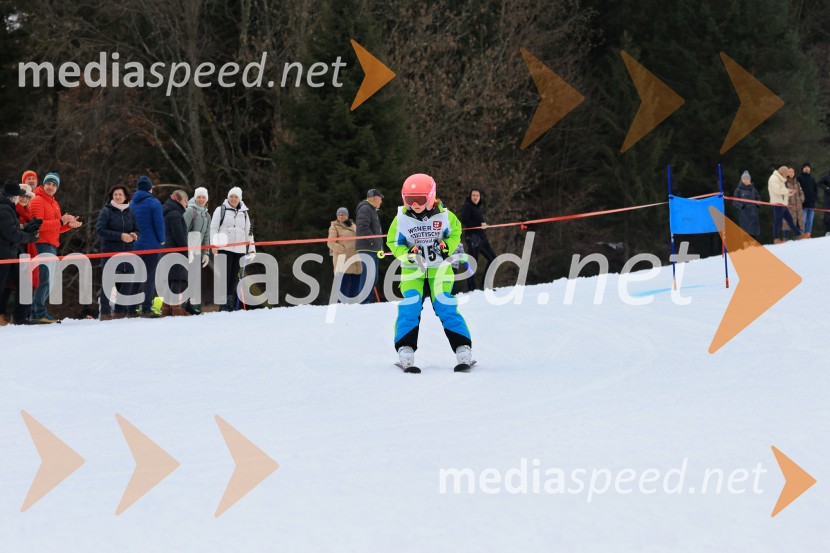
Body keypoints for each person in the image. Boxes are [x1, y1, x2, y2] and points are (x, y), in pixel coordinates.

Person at [386, 174, 472, 370]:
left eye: (420, 199)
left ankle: (462, 347)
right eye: (410, 200)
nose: (415, 204)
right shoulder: (401, 219)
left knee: (444, 304)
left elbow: (456, 233)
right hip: (412, 270)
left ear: (431, 197)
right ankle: (405, 348)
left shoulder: (445, 217)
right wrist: (406, 253)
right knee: (410, 305)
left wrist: (446, 246)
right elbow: (393, 242)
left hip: (439, 270)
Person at [28, 172, 82, 323]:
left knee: (49, 281)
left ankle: (35, 312)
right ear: (43, 184)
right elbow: (37, 226)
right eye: (49, 184)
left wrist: (68, 226)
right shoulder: (37, 200)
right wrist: (61, 221)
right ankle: (39, 313)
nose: (51, 187)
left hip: (51, 245)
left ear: (57, 188)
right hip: (41, 245)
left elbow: (55, 228)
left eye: (54, 185)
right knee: (44, 280)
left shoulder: (54, 203)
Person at [96, 184, 139, 320]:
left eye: (120, 194)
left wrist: (134, 234)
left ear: (126, 196)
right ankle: (105, 312)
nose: (118, 197)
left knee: (127, 281)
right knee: (109, 283)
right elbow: (100, 230)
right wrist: (119, 236)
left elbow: (137, 229)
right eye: (115, 195)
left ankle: (120, 311)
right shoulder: (106, 211)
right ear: (112, 197)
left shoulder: (130, 212)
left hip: (128, 252)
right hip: (110, 252)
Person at [0, 180, 40, 326]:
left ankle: (20, 317)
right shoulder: (4, 209)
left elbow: (13, 229)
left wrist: (27, 228)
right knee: (6, 285)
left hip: (9, 253)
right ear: (13, 196)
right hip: (4, 255)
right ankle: (19, 317)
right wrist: (29, 237)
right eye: (19, 195)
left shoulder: (7, 208)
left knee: (23, 283)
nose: (20, 198)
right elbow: (11, 233)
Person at [210, 186, 254, 311]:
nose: (233, 199)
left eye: (236, 197)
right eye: (231, 196)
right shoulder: (220, 210)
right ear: (228, 197)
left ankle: (230, 302)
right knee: (224, 276)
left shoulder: (244, 213)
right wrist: (214, 245)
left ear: (240, 199)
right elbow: (213, 228)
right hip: (225, 248)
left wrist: (251, 249)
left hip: (239, 249)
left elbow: (248, 233)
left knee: (234, 277)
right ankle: (222, 304)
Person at [130, 175, 165, 317]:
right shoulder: (154, 203)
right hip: (151, 245)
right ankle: (146, 307)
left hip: (135, 245)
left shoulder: (131, 203)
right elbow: (159, 224)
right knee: (149, 277)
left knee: (137, 276)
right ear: (150, 188)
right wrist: (162, 240)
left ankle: (131, 308)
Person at [460, 188, 497, 290]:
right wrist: (479, 224)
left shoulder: (478, 208)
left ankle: (484, 285)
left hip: (481, 237)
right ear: (470, 196)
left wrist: (482, 226)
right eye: (473, 195)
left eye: (477, 195)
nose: (475, 197)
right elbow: (465, 220)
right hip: (473, 237)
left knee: (493, 258)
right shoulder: (468, 206)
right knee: (473, 262)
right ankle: (471, 288)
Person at [161, 190, 191, 316]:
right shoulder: (175, 214)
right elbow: (178, 235)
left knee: (171, 279)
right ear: (179, 200)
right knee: (176, 279)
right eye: (185, 201)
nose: (186, 204)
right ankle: (175, 308)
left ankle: (166, 308)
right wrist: (186, 250)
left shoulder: (168, 211)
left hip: (167, 249)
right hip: (175, 249)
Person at [182, 186, 211, 314]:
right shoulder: (190, 211)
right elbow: (183, 231)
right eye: (198, 196)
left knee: (195, 278)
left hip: (198, 251)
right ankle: (183, 303)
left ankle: (193, 304)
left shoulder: (206, 214)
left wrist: (206, 253)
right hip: (188, 251)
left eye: (203, 197)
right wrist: (187, 249)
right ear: (195, 197)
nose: (201, 199)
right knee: (185, 277)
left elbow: (206, 235)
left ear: (206, 199)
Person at [355, 189, 383, 303]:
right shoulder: (365, 208)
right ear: (375, 197)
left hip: (372, 248)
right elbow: (362, 228)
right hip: (367, 248)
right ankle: (364, 301)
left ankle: (367, 301)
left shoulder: (371, 209)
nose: (381, 202)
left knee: (373, 277)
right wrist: (373, 241)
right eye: (380, 199)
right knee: (368, 276)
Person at [327, 207, 362, 301]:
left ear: (347, 215)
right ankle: (341, 303)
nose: (341, 216)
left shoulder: (353, 225)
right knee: (343, 281)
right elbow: (330, 243)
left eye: (343, 214)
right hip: (343, 258)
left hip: (355, 257)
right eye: (339, 215)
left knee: (357, 278)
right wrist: (343, 250)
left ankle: (352, 300)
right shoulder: (334, 227)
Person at [768, 166, 804, 244]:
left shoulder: (781, 180)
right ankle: (776, 239)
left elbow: (784, 192)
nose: (786, 176)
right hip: (777, 203)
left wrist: (790, 193)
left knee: (790, 220)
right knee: (777, 221)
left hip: (783, 203)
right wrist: (788, 190)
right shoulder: (774, 178)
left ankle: (799, 234)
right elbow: (777, 190)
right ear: (783, 173)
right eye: (786, 174)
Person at [731, 170, 761, 246]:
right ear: (742, 180)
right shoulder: (738, 190)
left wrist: (758, 204)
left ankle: (754, 245)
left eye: (747, 179)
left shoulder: (753, 189)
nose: (746, 180)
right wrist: (742, 206)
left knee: (754, 230)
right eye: (744, 179)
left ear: (749, 180)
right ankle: (746, 246)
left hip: (753, 214)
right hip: (744, 214)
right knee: (745, 231)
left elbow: (758, 198)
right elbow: (735, 201)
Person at [783, 167, 804, 241]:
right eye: (790, 171)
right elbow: (783, 194)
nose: (791, 173)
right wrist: (788, 201)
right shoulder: (785, 182)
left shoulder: (797, 183)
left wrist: (801, 199)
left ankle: (798, 236)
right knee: (787, 222)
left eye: (792, 171)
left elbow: (801, 192)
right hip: (789, 206)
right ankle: (785, 237)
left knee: (798, 221)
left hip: (798, 205)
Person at [796, 162, 817, 238]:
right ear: (803, 168)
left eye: (808, 167)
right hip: (802, 203)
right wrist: (799, 200)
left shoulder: (812, 178)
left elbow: (815, 190)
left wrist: (814, 199)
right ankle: (801, 234)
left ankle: (808, 234)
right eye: (805, 167)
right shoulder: (799, 178)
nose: (807, 168)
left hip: (811, 203)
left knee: (810, 220)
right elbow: (797, 190)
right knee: (803, 220)